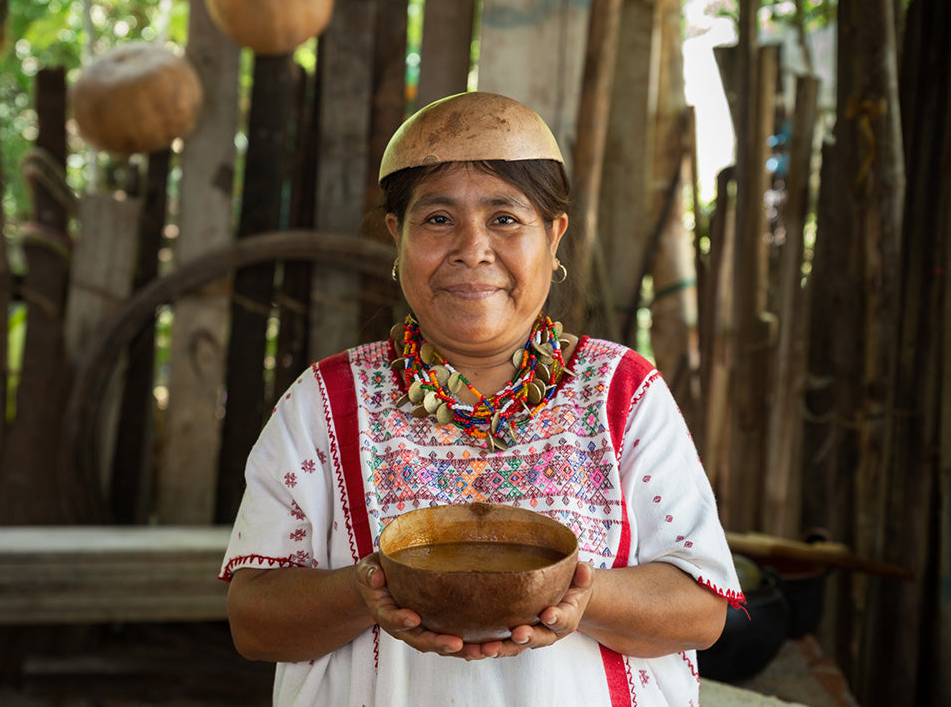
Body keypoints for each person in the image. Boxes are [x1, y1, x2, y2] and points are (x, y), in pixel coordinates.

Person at [220, 91, 744, 706]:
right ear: (398, 236)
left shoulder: (622, 392)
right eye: (438, 219)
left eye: (505, 218)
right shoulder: (324, 402)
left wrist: (580, 595)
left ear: (554, 237)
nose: (473, 248)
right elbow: (252, 622)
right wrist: (366, 590)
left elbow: (703, 611)